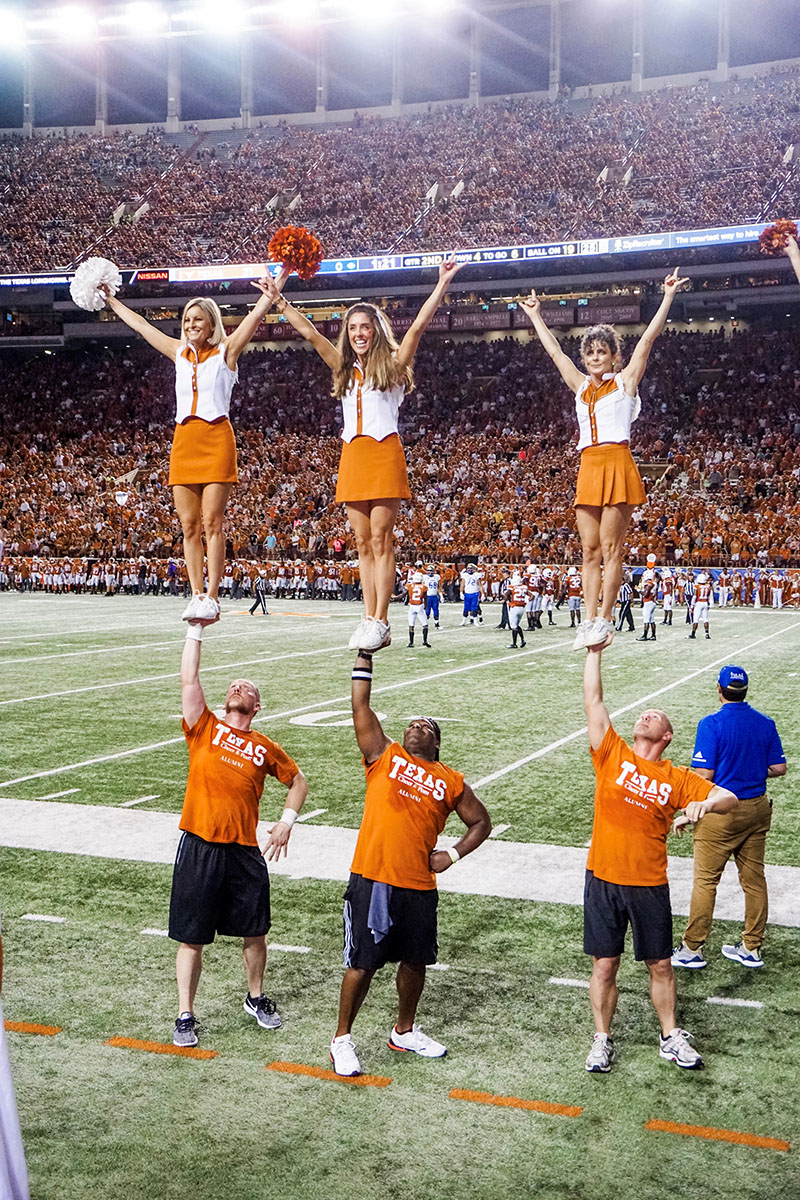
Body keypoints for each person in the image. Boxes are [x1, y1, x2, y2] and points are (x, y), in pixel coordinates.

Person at [266, 259, 461, 653]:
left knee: (381, 539)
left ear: (376, 331)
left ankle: (381, 619)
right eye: (352, 328)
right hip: (352, 452)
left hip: (384, 451)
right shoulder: (342, 367)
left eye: (364, 327)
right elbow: (313, 336)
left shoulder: (393, 365)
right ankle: (368, 615)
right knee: (361, 542)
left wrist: (440, 285)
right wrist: (280, 303)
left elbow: (419, 327)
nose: (357, 333)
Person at [329, 649, 491, 1076]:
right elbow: (359, 705)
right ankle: (341, 1039)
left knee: (415, 962)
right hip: (374, 877)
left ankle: (403, 1030)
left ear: (436, 742)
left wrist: (452, 854)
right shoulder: (385, 755)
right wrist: (364, 655)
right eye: (412, 724)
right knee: (362, 962)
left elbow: (481, 822)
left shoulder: (450, 779)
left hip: (419, 884)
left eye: (425, 727)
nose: (415, 728)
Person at [582, 642, 737, 1073]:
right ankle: (601, 1039)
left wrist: (705, 805)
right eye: (644, 713)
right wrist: (594, 653)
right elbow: (593, 700)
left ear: (667, 736)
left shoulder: (676, 776)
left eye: (657, 716)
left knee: (661, 964)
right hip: (604, 877)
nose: (647, 714)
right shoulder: (612, 754)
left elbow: (729, 797)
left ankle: (670, 1035)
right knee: (605, 964)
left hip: (649, 881)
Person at [519, 270, 687, 652]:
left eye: (602, 352)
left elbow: (647, 340)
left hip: (616, 461)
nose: (595, 358)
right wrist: (535, 317)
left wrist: (667, 297)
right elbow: (555, 353)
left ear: (614, 356)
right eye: (591, 353)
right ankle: (588, 617)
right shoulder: (580, 387)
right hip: (589, 465)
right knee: (589, 551)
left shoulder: (625, 382)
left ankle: (605, 618)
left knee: (612, 549)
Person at [102, 279, 278, 625]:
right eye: (186, 320)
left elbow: (253, 320)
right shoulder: (177, 352)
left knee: (213, 521)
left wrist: (273, 292)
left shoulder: (226, 352)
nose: (191, 325)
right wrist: (112, 301)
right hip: (184, 440)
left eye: (198, 320)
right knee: (188, 525)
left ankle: (212, 596)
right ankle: (196, 593)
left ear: (212, 323)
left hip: (216, 438)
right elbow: (141, 325)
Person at [170, 619, 308, 1047]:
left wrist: (286, 821)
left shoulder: (265, 746)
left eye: (245, 688)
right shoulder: (204, 727)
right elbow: (189, 677)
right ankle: (185, 1013)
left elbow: (298, 781)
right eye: (233, 685)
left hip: (244, 850)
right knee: (192, 936)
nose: (236, 688)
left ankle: (255, 997)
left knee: (255, 930)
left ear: (257, 706)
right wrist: (195, 629)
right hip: (200, 844)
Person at [672, 665, 786, 970]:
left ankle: (691, 948)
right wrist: (749, 770)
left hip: (721, 814)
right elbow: (778, 768)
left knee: (706, 882)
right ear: (745, 690)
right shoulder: (765, 722)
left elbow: (705, 775)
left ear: (719, 689)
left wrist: (692, 809)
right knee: (754, 880)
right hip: (758, 809)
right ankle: (751, 946)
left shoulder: (711, 724)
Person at [688, 571, 711, 639]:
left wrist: (692, 606)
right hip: (705, 602)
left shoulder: (697, 586)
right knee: (705, 619)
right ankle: (707, 633)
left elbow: (695, 596)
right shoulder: (708, 586)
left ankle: (693, 633)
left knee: (696, 620)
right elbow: (709, 596)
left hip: (699, 603)